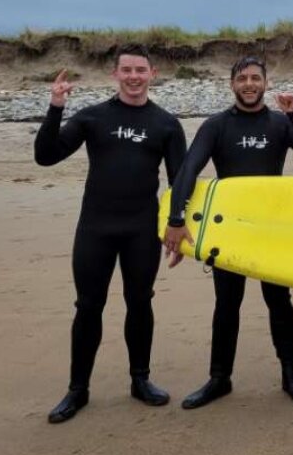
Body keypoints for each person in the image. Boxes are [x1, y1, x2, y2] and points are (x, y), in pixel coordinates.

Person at [163, 53, 293, 407]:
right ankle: (219, 378)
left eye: (255, 78)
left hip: (271, 229)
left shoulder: (281, 124)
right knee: (227, 304)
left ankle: (290, 375)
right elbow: (189, 170)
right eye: (242, 79)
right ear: (232, 84)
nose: (249, 84)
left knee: (279, 301)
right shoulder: (217, 125)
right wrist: (176, 220)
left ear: (265, 83)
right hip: (230, 230)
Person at [35, 45, 187, 423]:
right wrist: (55, 107)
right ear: (114, 75)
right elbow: (46, 155)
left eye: (141, 70)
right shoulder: (93, 117)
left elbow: (179, 181)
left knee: (140, 302)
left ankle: (140, 380)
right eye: (127, 70)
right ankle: (77, 389)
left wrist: (178, 225)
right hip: (95, 228)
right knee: (88, 306)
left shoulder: (166, 124)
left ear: (153, 73)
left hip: (140, 229)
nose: (134, 77)